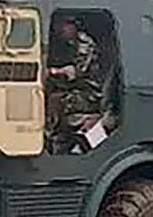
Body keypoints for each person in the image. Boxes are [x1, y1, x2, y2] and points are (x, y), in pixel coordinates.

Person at [45, 16, 108, 153]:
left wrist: (53, 72)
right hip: (78, 89)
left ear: (73, 26)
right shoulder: (68, 44)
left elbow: (78, 71)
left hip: (89, 94)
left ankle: (49, 139)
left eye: (64, 26)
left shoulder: (85, 44)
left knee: (56, 101)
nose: (60, 30)